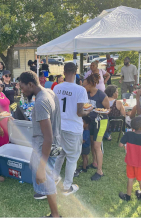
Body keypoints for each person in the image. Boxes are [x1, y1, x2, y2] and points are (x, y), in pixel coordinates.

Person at [17, 71, 61, 217]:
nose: (22, 91)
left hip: (45, 146)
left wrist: (41, 167)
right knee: (47, 179)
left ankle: (55, 215)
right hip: (54, 142)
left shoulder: (41, 101)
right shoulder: (49, 92)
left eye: (23, 88)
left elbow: (47, 138)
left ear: (31, 84)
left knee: (46, 180)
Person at [52, 63, 88, 196]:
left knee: (59, 154)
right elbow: (80, 113)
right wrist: (88, 111)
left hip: (59, 125)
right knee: (72, 158)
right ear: (75, 72)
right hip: (73, 128)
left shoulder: (57, 88)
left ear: (64, 71)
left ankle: (54, 178)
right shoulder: (80, 90)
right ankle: (67, 186)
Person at [118, 117, 141, 202]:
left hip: (130, 162)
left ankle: (128, 197)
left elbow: (120, 145)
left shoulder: (128, 135)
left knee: (130, 179)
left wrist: (126, 144)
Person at [81, 73, 110, 181]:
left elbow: (108, 110)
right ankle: (94, 162)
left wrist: (101, 111)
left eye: (85, 85)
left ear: (91, 84)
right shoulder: (87, 94)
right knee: (93, 143)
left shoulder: (101, 95)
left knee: (97, 146)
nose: (84, 87)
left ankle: (100, 171)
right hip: (91, 121)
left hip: (101, 122)